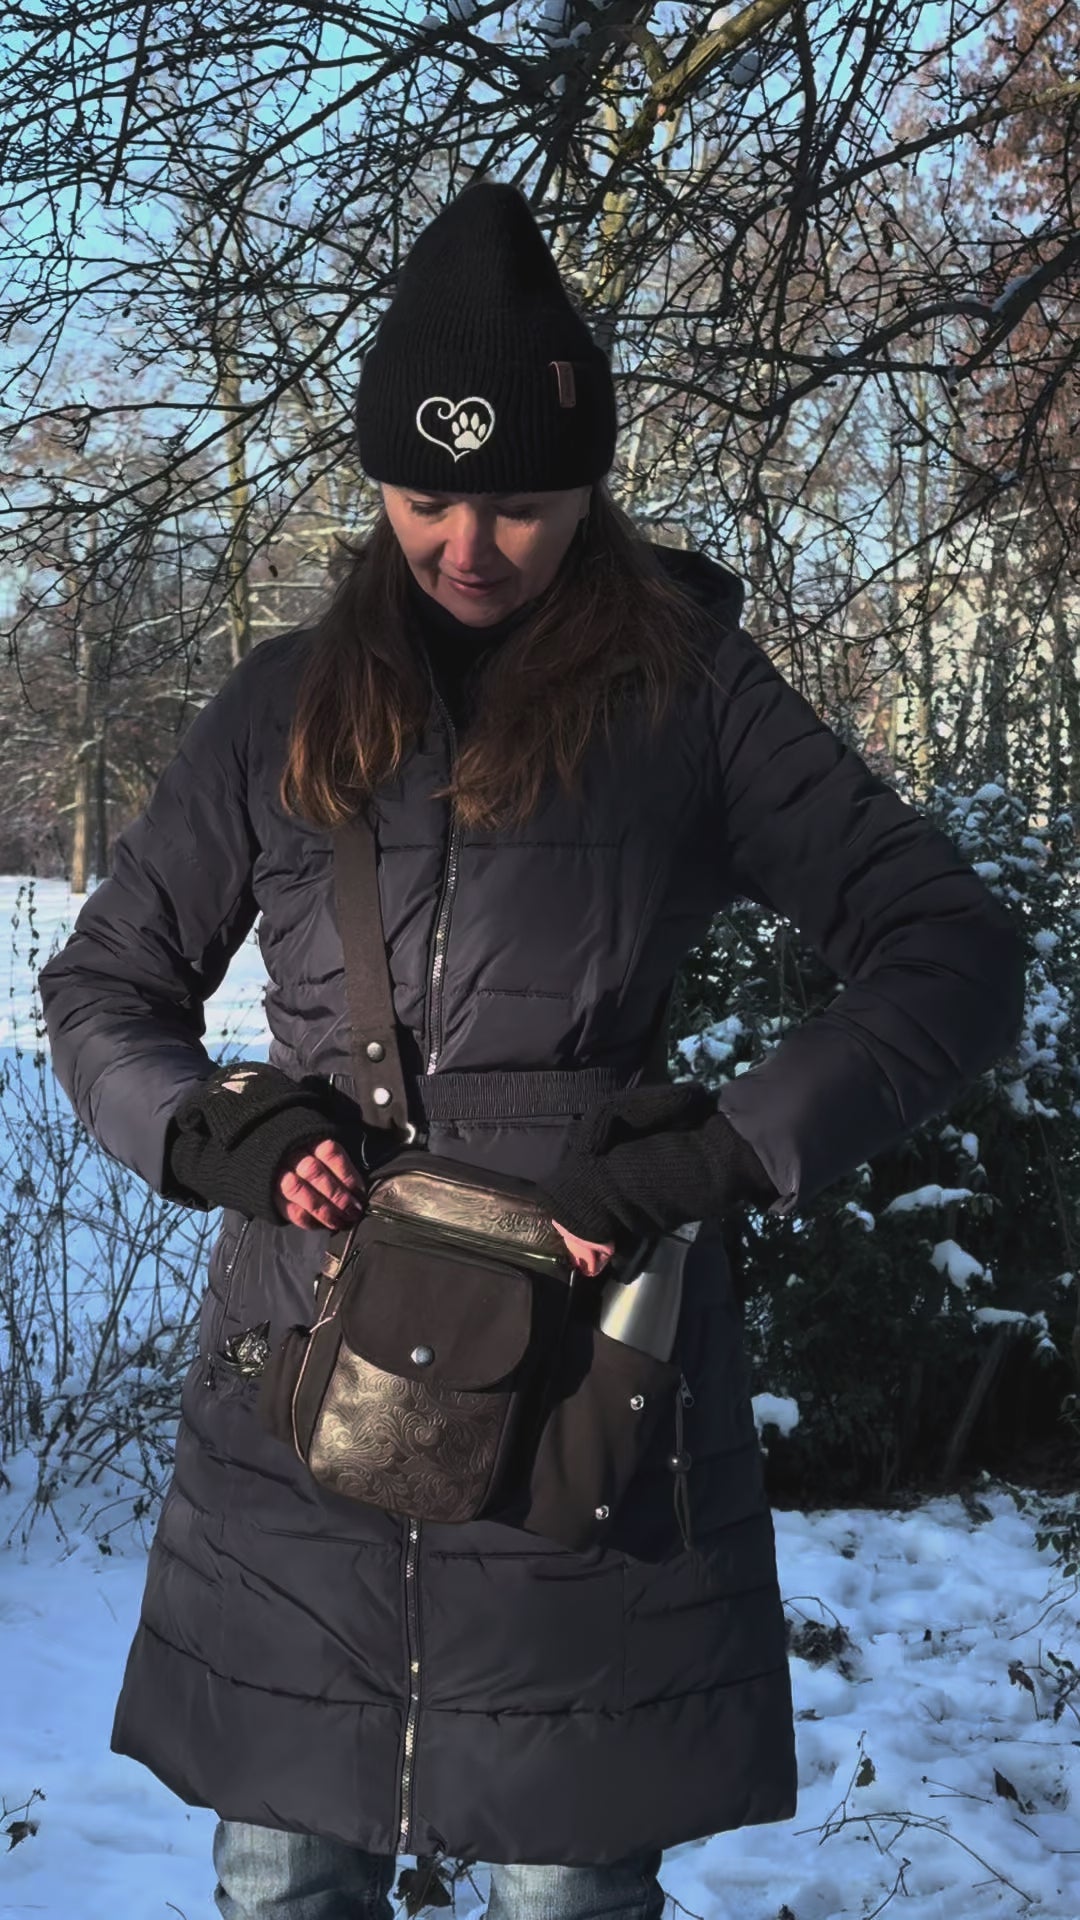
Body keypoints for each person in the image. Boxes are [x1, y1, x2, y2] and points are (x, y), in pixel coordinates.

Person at [38, 181, 1026, 1920]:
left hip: (585, 1383)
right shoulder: (277, 708)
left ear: (593, 487)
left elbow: (949, 948)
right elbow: (104, 986)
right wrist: (215, 1133)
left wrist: (714, 1152)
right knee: (283, 1882)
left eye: (519, 504)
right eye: (426, 500)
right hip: (304, 1381)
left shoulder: (693, 697)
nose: (470, 545)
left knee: (567, 1897)